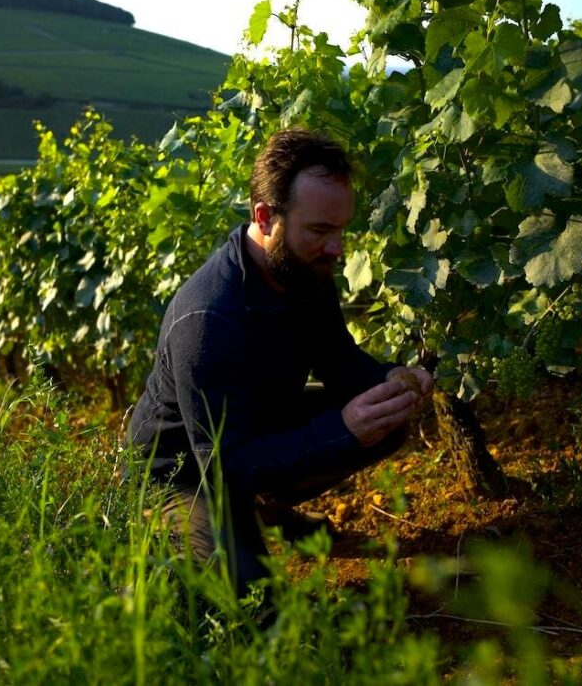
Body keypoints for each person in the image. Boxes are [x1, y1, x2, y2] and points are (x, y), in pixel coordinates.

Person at [127, 127, 434, 598]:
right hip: (188, 470)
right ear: (266, 217)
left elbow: (337, 359)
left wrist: (388, 378)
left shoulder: (304, 270)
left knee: (384, 418)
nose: (337, 248)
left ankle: (262, 505)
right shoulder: (209, 318)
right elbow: (224, 464)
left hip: (253, 430)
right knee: (251, 604)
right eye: (320, 230)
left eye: (341, 229)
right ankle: (192, 522)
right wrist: (343, 430)